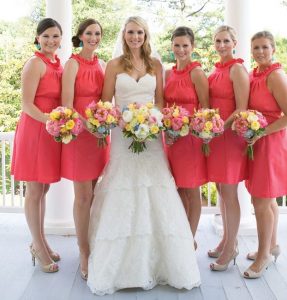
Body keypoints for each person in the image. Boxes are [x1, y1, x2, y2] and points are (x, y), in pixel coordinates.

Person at [87, 16, 200, 295]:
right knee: (123, 189)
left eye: (139, 32)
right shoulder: (113, 65)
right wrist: (125, 121)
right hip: (123, 137)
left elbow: (160, 100)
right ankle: (121, 265)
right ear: (124, 35)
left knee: (156, 189)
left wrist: (150, 120)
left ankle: (163, 261)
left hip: (150, 135)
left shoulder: (156, 64)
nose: (135, 37)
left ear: (146, 35)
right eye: (130, 32)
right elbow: (106, 101)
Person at [243, 31, 287, 278]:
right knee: (268, 199)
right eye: (256, 47)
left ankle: (263, 254)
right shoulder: (255, 74)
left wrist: (262, 131)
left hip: (272, 142)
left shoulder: (276, 75)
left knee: (261, 201)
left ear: (273, 48)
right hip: (259, 141)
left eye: (265, 47)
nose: (260, 52)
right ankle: (272, 244)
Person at [11, 18, 63, 273]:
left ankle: (40, 241)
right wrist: (51, 119)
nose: (51, 41)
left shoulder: (56, 64)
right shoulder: (34, 64)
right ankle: (38, 247)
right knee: (33, 192)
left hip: (50, 132)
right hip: (35, 130)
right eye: (46, 37)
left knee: (43, 190)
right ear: (37, 38)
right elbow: (27, 104)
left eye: (55, 37)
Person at [61, 18, 109, 280]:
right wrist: (90, 127)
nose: (93, 37)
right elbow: (67, 105)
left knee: (94, 194)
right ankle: (83, 251)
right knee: (82, 197)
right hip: (80, 136)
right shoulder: (72, 64)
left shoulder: (102, 65)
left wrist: (104, 123)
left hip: (99, 138)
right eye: (89, 33)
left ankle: (93, 242)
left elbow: (106, 100)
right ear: (80, 36)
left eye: (97, 33)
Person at [206, 25, 249, 271]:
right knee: (221, 191)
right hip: (215, 135)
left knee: (230, 194)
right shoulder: (216, 69)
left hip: (230, 137)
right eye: (218, 41)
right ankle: (225, 239)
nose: (222, 45)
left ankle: (232, 247)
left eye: (226, 41)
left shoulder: (237, 69)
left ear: (234, 42)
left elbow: (242, 107)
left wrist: (222, 126)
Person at [164, 26, 209, 246]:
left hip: (190, 140)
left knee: (192, 190)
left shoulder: (197, 72)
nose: (181, 50)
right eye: (177, 45)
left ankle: (190, 240)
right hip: (172, 141)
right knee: (179, 189)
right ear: (171, 46)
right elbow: (163, 107)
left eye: (185, 45)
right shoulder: (168, 73)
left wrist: (187, 128)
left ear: (193, 46)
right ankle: (181, 234)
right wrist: (168, 131)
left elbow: (205, 110)